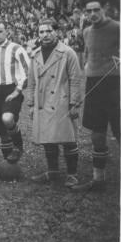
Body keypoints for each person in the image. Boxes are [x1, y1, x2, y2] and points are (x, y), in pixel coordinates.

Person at [72, 0, 120, 192]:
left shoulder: (118, 27)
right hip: (93, 84)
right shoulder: (86, 31)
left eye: (96, 9)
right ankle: (98, 179)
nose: (92, 14)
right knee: (97, 134)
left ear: (104, 9)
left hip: (115, 84)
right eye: (88, 10)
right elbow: (87, 52)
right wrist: (87, 66)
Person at [27, 19, 82, 187]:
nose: (45, 34)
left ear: (56, 32)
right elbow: (31, 82)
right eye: (41, 32)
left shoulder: (67, 53)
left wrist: (74, 104)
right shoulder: (35, 54)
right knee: (47, 139)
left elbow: (75, 80)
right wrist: (30, 104)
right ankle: (52, 172)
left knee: (68, 139)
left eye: (48, 31)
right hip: (42, 102)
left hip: (61, 100)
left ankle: (72, 174)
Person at [0, 20, 30, 164]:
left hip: (11, 89)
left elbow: (27, 71)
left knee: (8, 119)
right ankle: (8, 163)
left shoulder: (16, 48)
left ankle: (18, 146)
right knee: (1, 130)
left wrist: (18, 90)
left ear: (6, 32)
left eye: (0, 31)